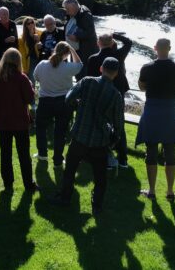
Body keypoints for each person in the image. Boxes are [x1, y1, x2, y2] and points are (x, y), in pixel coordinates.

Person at [51, 57, 125, 214]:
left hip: (79, 137)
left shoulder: (87, 81)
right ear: (116, 74)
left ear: (101, 69)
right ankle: (97, 206)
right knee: (100, 177)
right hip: (100, 142)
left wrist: (79, 105)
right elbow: (119, 124)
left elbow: (68, 98)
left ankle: (65, 198)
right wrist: (114, 139)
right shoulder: (116, 95)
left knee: (70, 170)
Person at [135, 38, 175, 202]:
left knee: (151, 152)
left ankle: (151, 191)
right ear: (169, 48)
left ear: (155, 48)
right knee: (170, 152)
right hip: (170, 110)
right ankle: (170, 192)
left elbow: (142, 87)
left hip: (152, 111)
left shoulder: (147, 68)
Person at [0, 48, 39, 193]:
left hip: (2, 121)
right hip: (19, 121)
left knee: (5, 154)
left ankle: (8, 183)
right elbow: (30, 98)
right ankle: (28, 184)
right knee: (24, 154)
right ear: (18, 61)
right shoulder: (21, 78)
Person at [87, 32, 133, 168]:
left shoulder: (93, 59)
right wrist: (116, 35)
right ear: (112, 43)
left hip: (100, 94)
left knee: (100, 124)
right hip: (118, 93)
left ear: (98, 43)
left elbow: (89, 78)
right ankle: (123, 158)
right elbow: (129, 42)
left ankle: (102, 156)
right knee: (119, 124)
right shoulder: (118, 55)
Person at [33, 42, 82, 165]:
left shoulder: (42, 64)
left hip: (45, 101)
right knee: (60, 131)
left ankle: (42, 154)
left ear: (55, 50)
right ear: (66, 54)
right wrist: (72, 49)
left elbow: (36, 77)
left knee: (41, 128)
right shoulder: (68, 67)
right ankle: (58, 159)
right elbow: (80, 64)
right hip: (63, 102)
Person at [62, 0, 98, 79]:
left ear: (74, 6)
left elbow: (90, 32)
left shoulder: (85, 15)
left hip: (86, 54)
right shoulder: (73, 14)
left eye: (67, 9)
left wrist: (77, 37)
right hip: (77, 51)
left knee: (83, 76)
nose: (66, 12)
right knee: (77, 74)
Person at [18, 16, 42, 82]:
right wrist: (24, 69)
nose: (31, 24)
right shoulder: (21, 39)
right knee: (31, 81)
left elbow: (42, 47)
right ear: (25, 26)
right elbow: (22, 54)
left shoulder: (40, 34)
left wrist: (38, 40)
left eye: (32, 22)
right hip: (30, 61)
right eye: (28, 24)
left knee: (42, 80)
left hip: (40, 59)